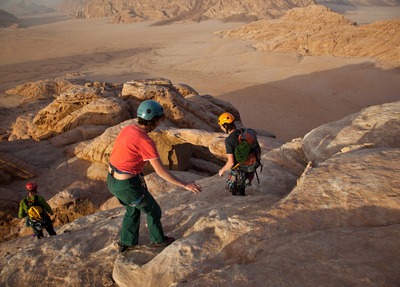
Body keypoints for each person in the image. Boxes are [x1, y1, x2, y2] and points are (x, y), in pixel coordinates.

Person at [107, 100, 202, 253]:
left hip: (112, 180)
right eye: (159, 120)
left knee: (132, 209)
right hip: (127, 185)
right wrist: (185, 184)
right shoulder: (146, 141)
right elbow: (161, 172)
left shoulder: (128, 128)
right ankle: (158, 240)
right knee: (153, 210)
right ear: (155, 121)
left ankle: (127, 242)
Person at [218, 112, 256, 196]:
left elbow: (231, 162)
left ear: (225, 126)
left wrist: (222, 170)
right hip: (247, 167)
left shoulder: (229, 140)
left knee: (237, 195)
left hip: (238, 171)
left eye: (221, 125)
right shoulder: (242, 131)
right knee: (241, 191)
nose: (221, 127)